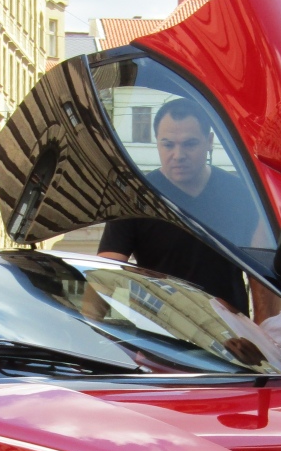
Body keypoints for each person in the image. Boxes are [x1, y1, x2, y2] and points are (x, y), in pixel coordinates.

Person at [98, 98, 252, 313]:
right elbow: (106, 273)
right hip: (161, 338)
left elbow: (263, 279)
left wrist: (265, 334)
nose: (178, 155)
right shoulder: (134, 197)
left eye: (190, 144)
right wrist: (92, 334)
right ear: (157, 142)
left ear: (209, 141)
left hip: (230, 339)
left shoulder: (239, 195)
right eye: (168, 144)